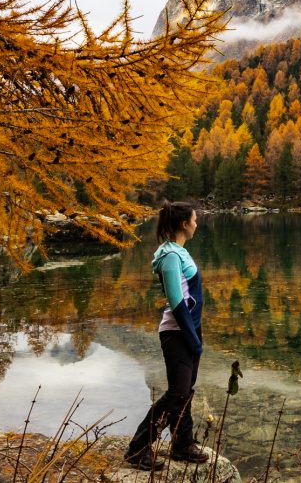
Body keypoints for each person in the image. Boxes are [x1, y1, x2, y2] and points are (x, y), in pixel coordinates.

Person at [124, 200, 209, 470]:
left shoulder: (178, 252)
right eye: (194, 220)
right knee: (176, 393)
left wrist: (196, 335)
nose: (197, 223)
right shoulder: (170, 256)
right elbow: (177, 302)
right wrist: (192, 339)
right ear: (184, 224)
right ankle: (138, 448)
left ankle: (182, 445)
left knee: (185, 392)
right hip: (177, 332)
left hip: (189, 330)